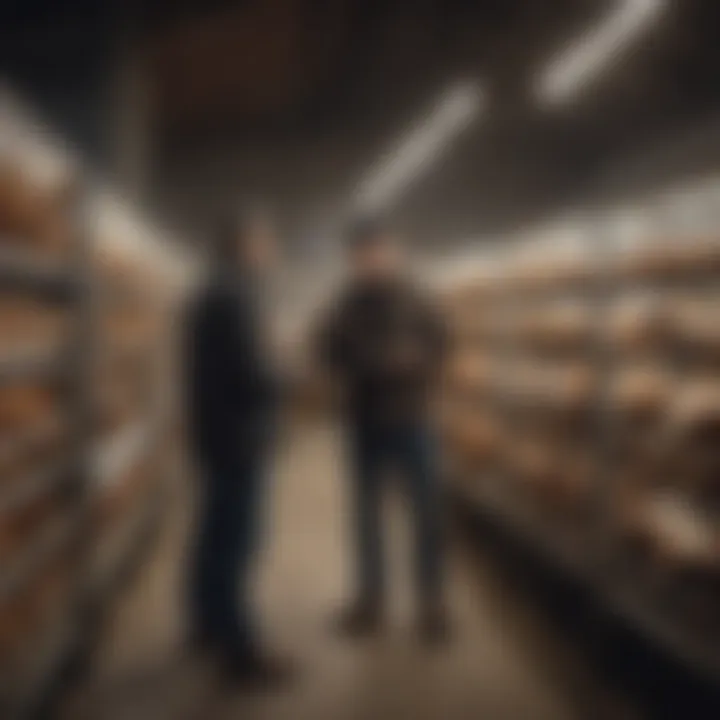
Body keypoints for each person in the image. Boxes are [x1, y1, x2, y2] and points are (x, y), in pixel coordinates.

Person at [318, 217, 450, 643]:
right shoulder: (344, 304)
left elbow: (444, 342)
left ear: (394, 252)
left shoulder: (419, 299)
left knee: (426, 514)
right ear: (354, 260)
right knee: (366, 517)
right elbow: (325, 349)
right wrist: (361, 366)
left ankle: (431, 603)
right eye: (363, 255)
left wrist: (416, 364)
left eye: (379, 251)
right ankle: (370, 600)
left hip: (412, 418)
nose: (372, 261)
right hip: (365, 421)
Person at [185, 210, 292, 686]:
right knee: (237, 543)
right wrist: (289, 372)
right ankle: (240, 653)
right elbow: (254, 376)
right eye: (266, 242)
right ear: (245, 245)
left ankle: (206, 623)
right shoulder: (238, 298)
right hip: (240, 438)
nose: (272, 251)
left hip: (216, 434)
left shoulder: (210, 293)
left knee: (212, 536)